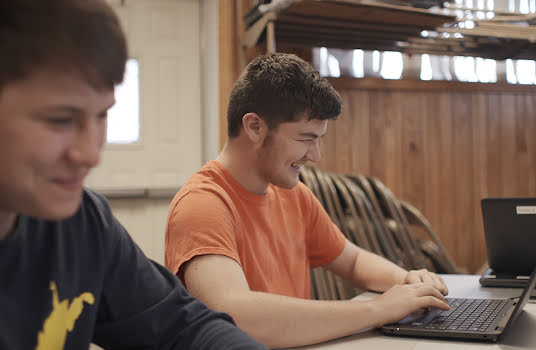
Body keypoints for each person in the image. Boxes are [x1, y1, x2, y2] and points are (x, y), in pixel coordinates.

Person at [0, 1, 269, 349]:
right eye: (60, 120)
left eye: (101, 117)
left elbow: (182, 327)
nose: (90, 155)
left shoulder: (83, 223)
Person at [165, 53, 450, 348]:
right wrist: (378, 310)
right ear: (254, 127)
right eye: (305, 139)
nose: (315, 156)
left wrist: (408, 283)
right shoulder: (202, 204)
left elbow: (352, 261)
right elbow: (234, 315)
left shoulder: (294, 194)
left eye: (318, 140)